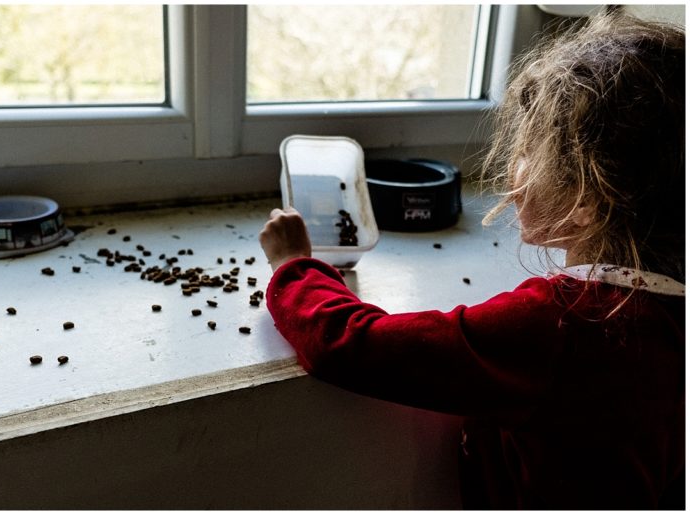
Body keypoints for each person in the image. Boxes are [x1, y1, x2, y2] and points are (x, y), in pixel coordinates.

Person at [258, 12, 685, 510]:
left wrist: (295, 268)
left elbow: (352, 345)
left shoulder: (560, 325)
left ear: (589, 199)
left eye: (530, 152)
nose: (512, 168)